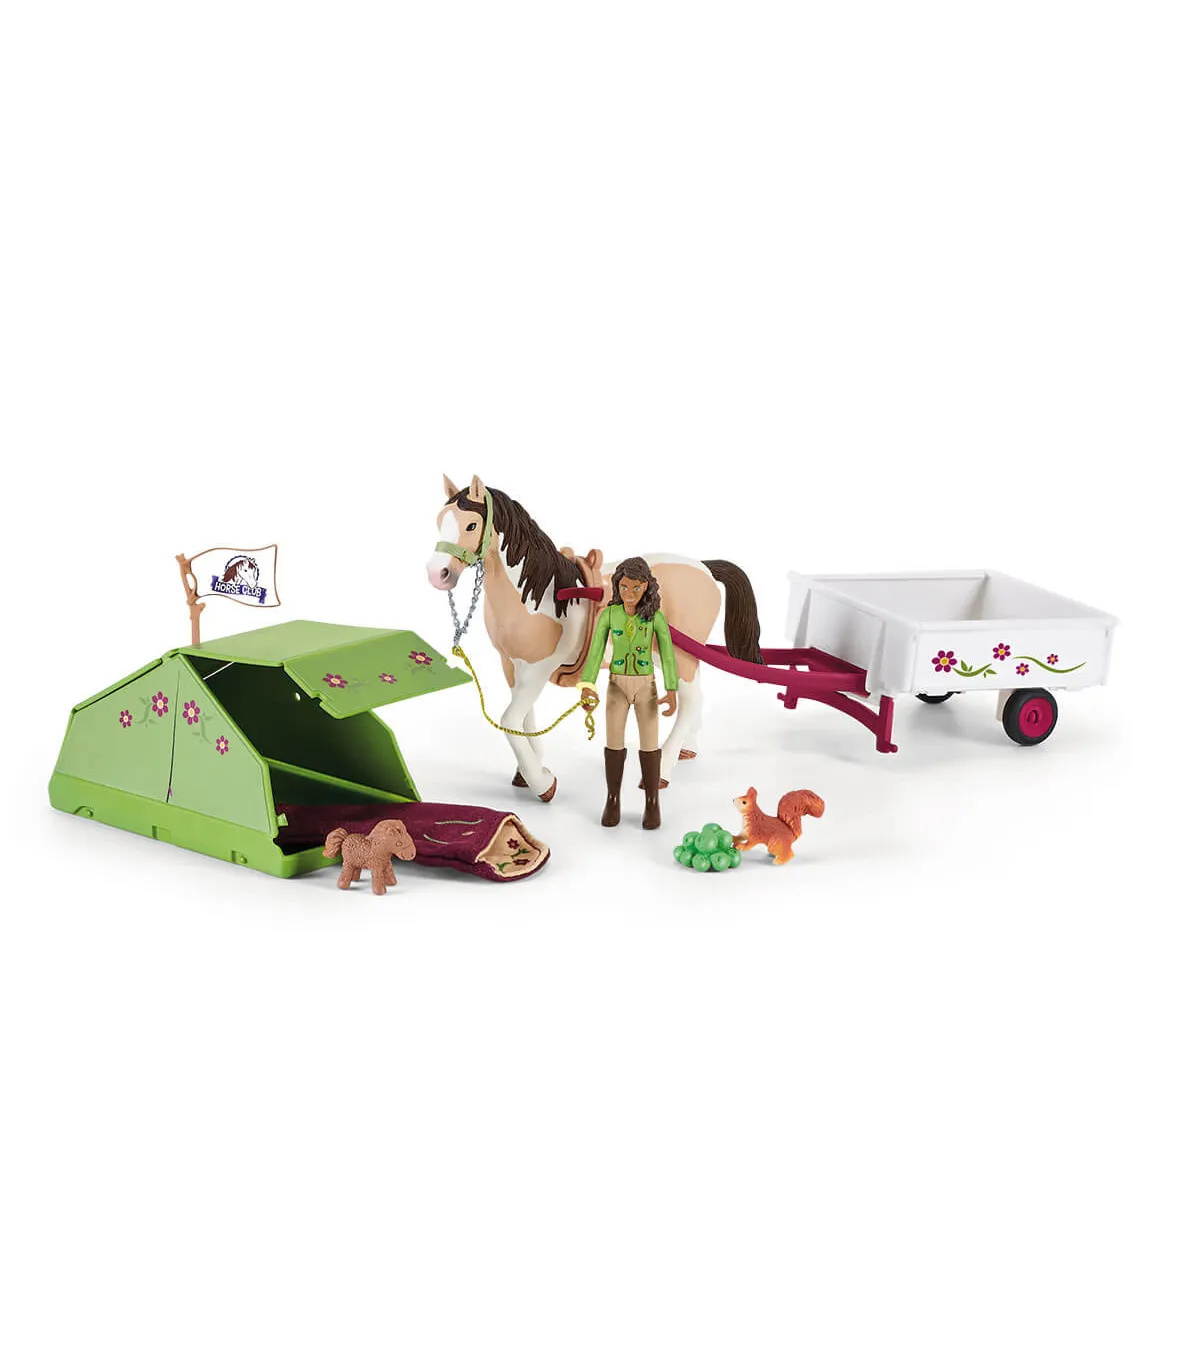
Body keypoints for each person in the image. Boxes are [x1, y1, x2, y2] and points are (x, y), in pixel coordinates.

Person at [580, 556, 678, 829]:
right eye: (624, 587)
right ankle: (613, 799)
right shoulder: (609, 615)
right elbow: (595, 651)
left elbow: (667, 655)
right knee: (614, 743)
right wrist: (587, 685)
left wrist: (671, 688)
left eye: (636, 587)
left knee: (650, 744)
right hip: (616, 687)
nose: (630, 593)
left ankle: (652, 801)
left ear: (647, 586)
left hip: (646, 686)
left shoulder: (655, 617)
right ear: (617, 586)